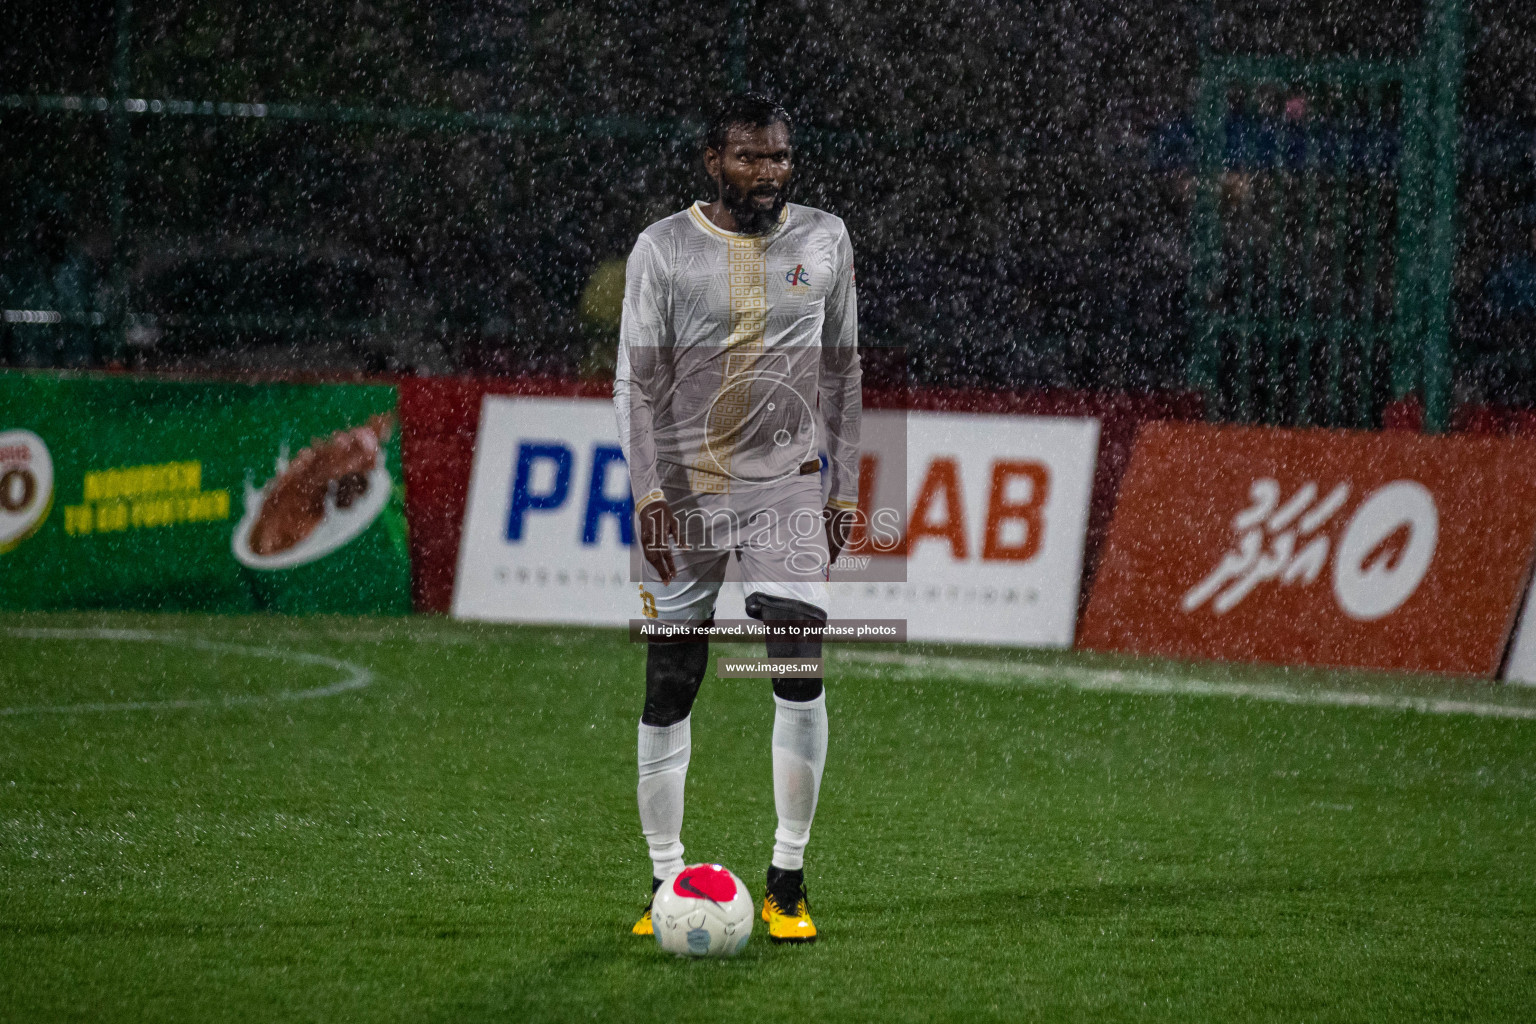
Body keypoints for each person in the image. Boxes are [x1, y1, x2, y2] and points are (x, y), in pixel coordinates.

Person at [613, 93, 861, 944]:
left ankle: (787, 878)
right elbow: (634, 385)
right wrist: (647, 492)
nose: (769, 172)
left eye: (781, 158)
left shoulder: (826, 238)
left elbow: (842, 370)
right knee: (670, 683)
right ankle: (662, 880)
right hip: (684, 490)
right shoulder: (664, 249)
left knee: (798, 661)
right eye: (751, 158)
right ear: (712, 160)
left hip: (787, 487)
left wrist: (846, 487)